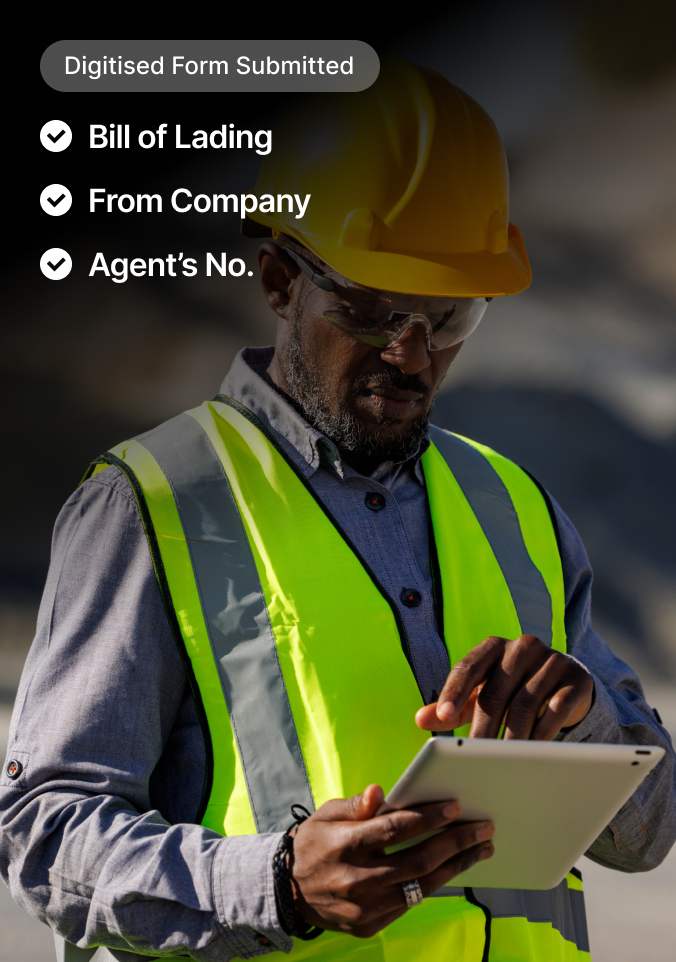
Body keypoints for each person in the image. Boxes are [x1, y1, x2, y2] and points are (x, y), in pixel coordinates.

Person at [1, 59, 674, 962]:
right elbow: (43, 833)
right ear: (280, 280)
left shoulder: (516, 507)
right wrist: (276, 885)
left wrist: (585, 716)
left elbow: (648, 830)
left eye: (448, 318)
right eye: (371, 310)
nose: (410, 354)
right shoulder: (148, 507)